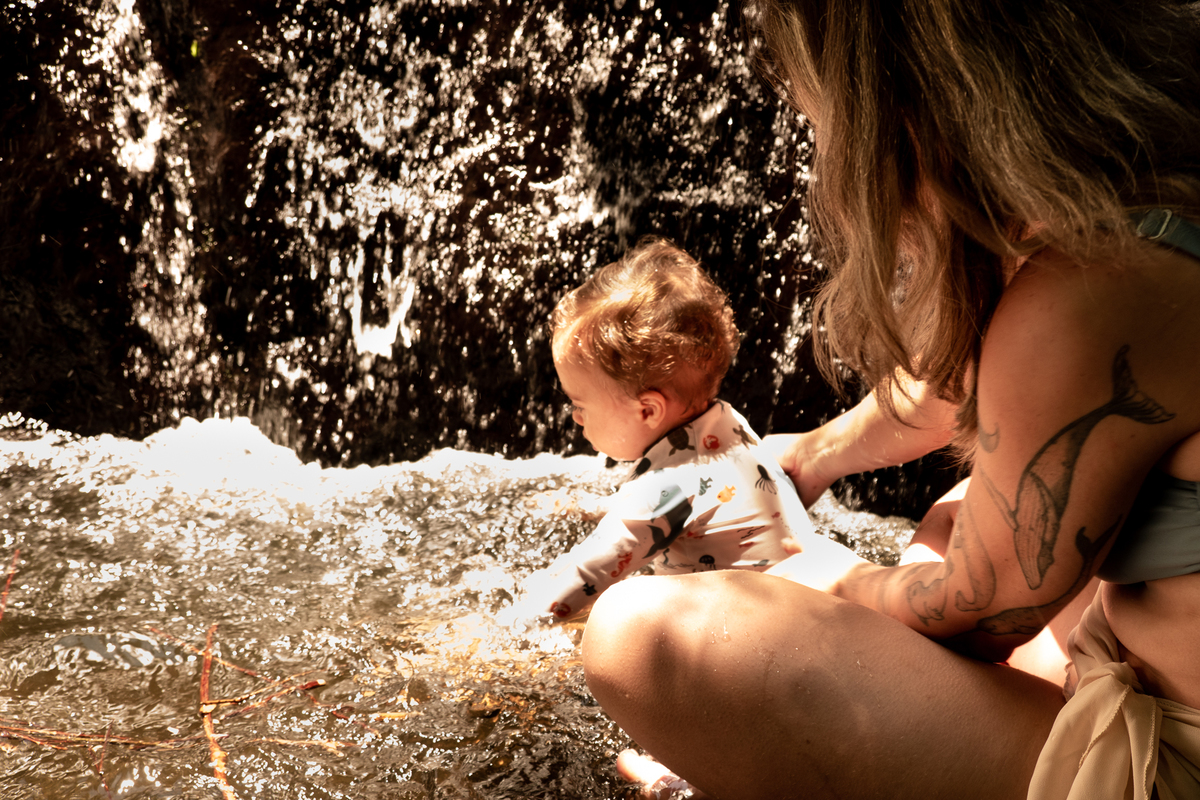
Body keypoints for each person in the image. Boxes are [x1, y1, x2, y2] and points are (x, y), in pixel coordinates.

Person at [579, 2, 1200, 798]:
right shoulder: (1155, 187)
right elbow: (978, 390)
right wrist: (807, 456)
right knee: (962, 512)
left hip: (1164, 766)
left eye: (821, 117)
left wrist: (812, 571)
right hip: (1146, 669)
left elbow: (972, 615)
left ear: (902, 106)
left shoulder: (1091, 288)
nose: (824, 158)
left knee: (646, 633)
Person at [511, 237, 813, 624]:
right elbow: (692, 502)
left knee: (616, 617)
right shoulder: (726, 425)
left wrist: (511, 626)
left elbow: (587, 572)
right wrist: (597, 507)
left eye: (580, 404)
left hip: (751, 639)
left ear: (648, 410)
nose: (575, 418)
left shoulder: (668, 484)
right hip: (799, 613)